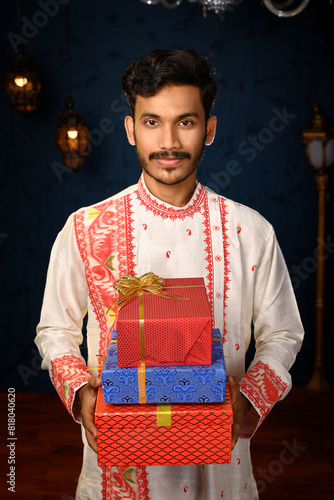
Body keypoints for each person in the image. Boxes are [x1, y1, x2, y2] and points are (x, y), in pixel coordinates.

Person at [35, 49, 304, 500]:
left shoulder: (250, 232)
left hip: (222, 471)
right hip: (116, 468)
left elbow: (284, 335)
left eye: (186, 122)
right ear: (130, 129)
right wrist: (81, 392)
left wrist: (250, 398)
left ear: (210, 129)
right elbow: (55, 329)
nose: (169, 143)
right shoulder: (86, 228)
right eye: (152, 121)